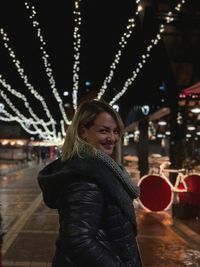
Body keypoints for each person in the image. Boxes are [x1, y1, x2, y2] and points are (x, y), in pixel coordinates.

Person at [37, 99, 143, 267]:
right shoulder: (85, 177)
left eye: (115, 131)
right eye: (104, 131)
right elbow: (78, 241)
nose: (112, 138)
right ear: (83, 131)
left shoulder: (103, 169)